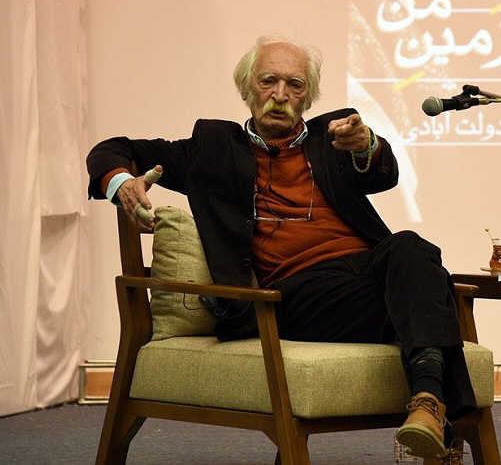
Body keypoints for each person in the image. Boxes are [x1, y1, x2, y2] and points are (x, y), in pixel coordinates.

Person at [86, 36, 477, 460]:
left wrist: (367, 145)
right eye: (268, 81)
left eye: (294, 85)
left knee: (411, 249)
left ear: (307, 97)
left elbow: (383, 174)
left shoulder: (334, 138)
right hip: (293, 296)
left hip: (363, 281)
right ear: (247, 88)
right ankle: (442, 425)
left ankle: (427, 404)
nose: (280, 95)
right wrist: (121, 184)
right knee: (432, 293)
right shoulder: (213, 148)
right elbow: (112, 149)